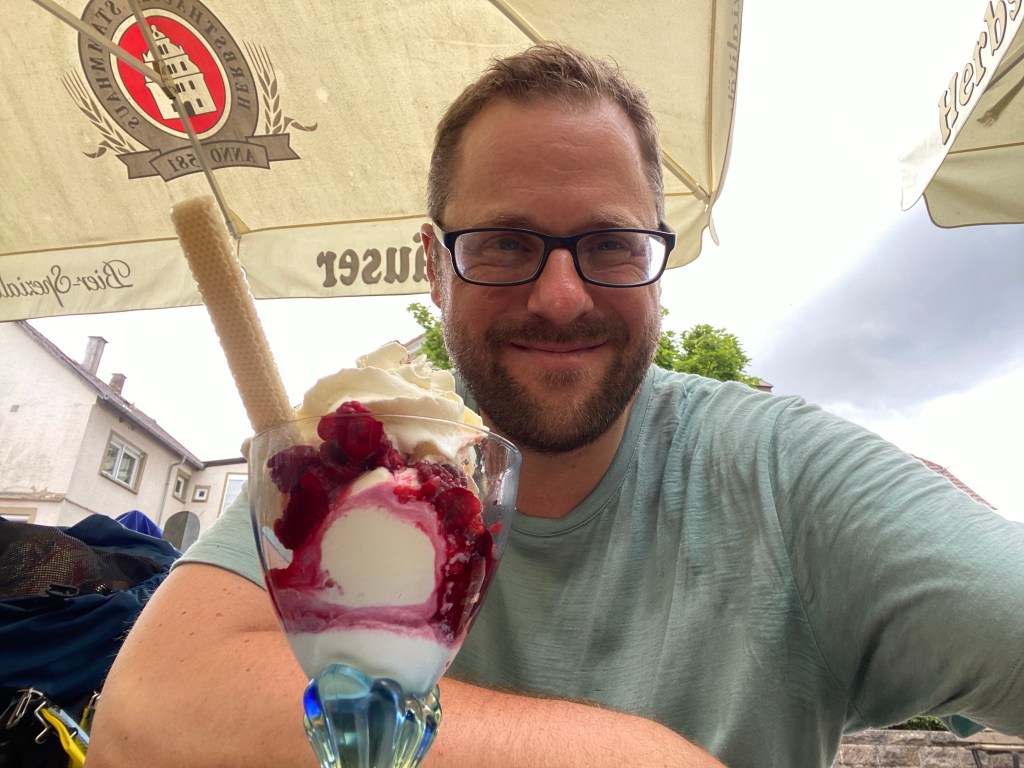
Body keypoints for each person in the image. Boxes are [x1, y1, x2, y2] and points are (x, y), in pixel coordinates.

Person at [86, 43, 1024, 768]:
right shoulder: (353, 472)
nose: (563, 297)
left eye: (611, 246)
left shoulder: (786, 477)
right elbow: (145, 712)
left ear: (658, 263)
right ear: (434, 267)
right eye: (504, 243)